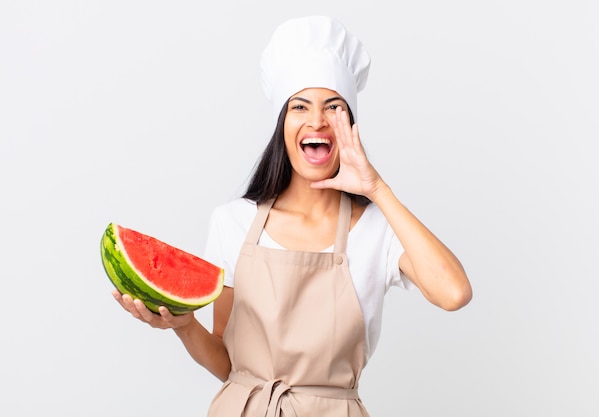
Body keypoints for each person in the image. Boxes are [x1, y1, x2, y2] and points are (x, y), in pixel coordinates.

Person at [113, 15, 472, 417]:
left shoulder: (376, 229)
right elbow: (228, 364)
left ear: (350, 124)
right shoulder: (232, 222)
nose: (316, 120)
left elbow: (454, 292)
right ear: (282, 124)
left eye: (333, 107)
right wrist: (184, 326)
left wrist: (377, 189)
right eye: (300, 106)